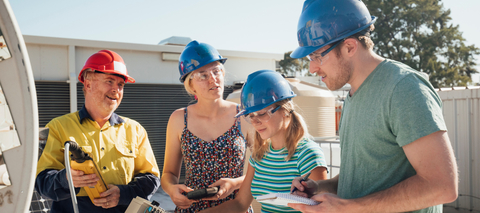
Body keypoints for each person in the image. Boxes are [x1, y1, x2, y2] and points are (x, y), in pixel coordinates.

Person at [287, 0, 458, 212]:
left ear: (349, 47)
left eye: (317, 56)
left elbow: (441, 186)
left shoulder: (404, 88)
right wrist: (320, 187)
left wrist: (349, 207)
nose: (312, 68)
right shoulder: (351, 97)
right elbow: (364, 177)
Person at [35, 50, 160, 212]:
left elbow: (151, 179)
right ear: (88, 84)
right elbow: (42, 183)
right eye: (110, 81)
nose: (116, 89)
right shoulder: (58, 127)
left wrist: (122, 193)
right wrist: (66, 179)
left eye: (121, 85)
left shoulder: (135, 130)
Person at [199, 70, 328, 213]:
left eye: (261, 114)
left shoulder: (308, 154)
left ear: (285, 110)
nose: (255, 122)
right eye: (250, 115)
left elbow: (321, 209)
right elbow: (240, 203)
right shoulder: (259, 155)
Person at [161, 40, 254, 213]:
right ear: (190, 84)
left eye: (216, 71)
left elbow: (265, 169)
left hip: (235, 208)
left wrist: (234, 184)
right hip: (192, 209)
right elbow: (169, 174)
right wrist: (172, 190)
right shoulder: (179, 119)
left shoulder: (244, 116)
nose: (213, 79)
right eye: (203, 75)